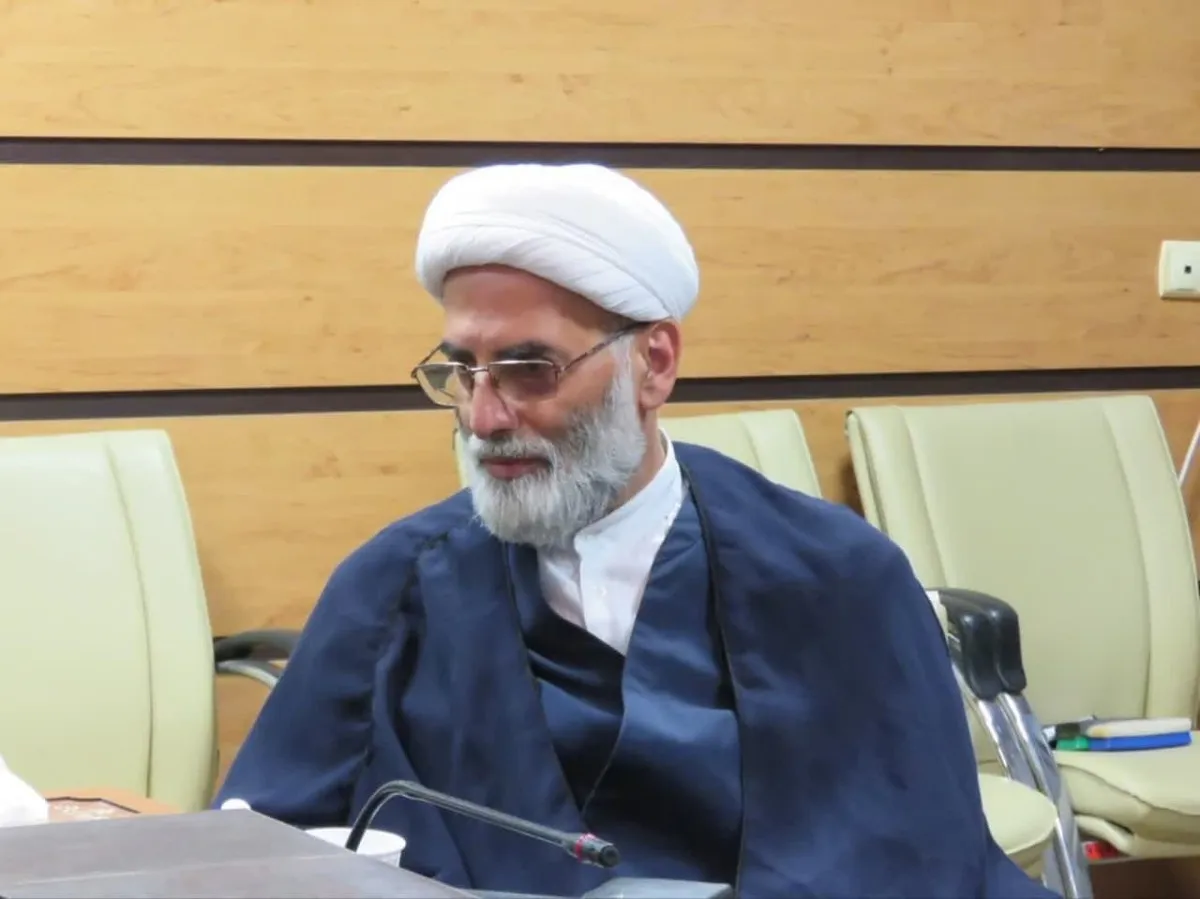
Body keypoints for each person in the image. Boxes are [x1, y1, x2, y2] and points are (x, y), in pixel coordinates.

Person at [216, 162, 1055, 899]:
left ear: (653, 364)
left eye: (529, 369)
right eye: (462, 369)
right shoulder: (390, 588)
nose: (484, 416)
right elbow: (259, 849)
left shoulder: (837, 576)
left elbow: (916, 856)